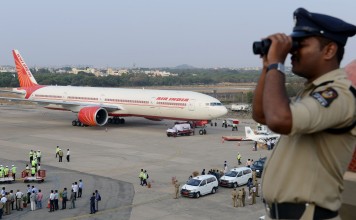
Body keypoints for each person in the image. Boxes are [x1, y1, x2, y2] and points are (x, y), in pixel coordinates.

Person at [251, 8, 356, 219]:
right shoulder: (312, 91)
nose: (292, 52)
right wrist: (267, 67)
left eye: (300, 44)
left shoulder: (338, 94)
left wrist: (276, 65)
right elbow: (262, 115)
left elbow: (279, 120)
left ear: (329, 51)